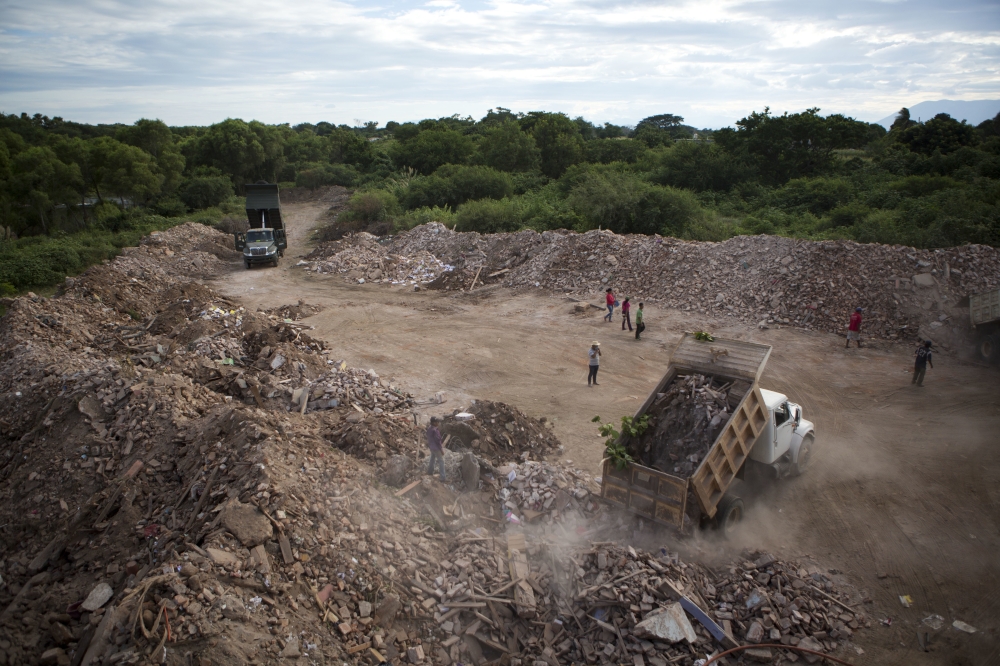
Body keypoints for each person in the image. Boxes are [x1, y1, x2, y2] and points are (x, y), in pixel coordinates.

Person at [426, 416, 446, 481]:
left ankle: (430, 472)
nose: (438, 423)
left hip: (431, 447)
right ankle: (443, 478)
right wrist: (441, 450)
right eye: (437, 422)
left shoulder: (429, 429)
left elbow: (428, 438)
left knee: (432, 459)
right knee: (441, 461)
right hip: (436, 448)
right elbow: (438, 441)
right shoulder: (435, 431)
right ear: (434, 423)